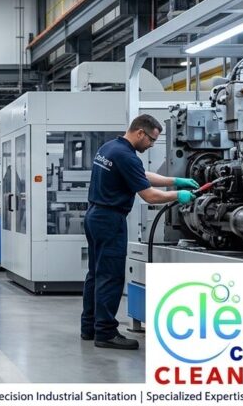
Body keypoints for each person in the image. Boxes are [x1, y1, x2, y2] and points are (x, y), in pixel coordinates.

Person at [82, 114, 198, 350]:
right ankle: (105, 333)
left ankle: (90, 327)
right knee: (111, 276)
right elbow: (149, 195)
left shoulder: (110, 148)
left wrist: (174, 180)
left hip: (95, 215)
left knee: (96, 274)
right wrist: (179, 195)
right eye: (152, 140)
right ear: (140, 133)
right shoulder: (126, 156)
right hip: (110, 220)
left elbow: (141, 176)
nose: (152, 145)